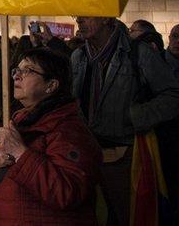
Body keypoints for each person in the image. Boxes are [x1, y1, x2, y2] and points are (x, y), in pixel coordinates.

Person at [0, 48, 102, 224]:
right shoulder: (14, 119)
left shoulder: (70, 131)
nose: (16, 76)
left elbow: (66, 191)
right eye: (16, 70)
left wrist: (21, 153)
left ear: (51, 85)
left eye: (27, 70)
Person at [72, 16, 179, 226]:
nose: (80, 21)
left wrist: (135, 117)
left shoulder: (138, 53)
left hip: (126, 155)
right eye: (77, 16)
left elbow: (173, 95)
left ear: (106, 18)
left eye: (86, 15)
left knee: (127, 216)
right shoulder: (79, 55)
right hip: (85, 154)